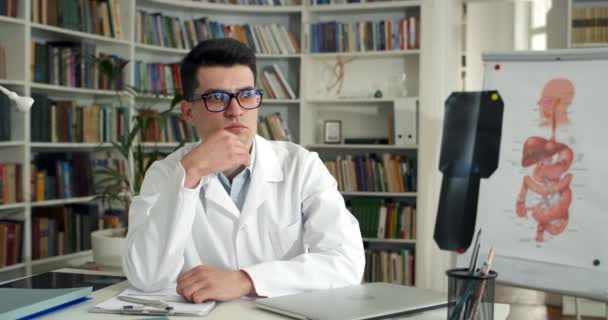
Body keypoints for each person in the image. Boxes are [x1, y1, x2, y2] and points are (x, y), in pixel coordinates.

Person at [122, 38, 365, 304]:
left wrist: (246, 279)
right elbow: (146, 277)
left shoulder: (301, 165)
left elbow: (346, 262)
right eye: (217, 98)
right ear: (189, 112)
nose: (235, 111)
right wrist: (190, 174)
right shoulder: (165, 173)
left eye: (246, 95)